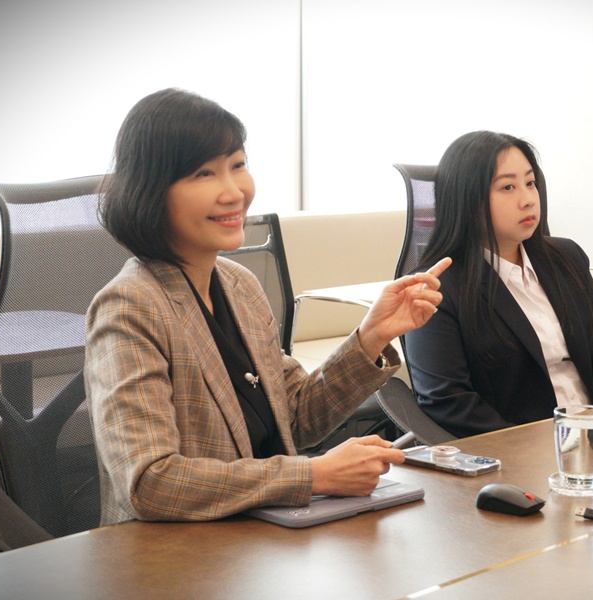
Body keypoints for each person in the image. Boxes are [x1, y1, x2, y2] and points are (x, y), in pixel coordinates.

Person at [85, 88, 450, 525]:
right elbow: (150, 481)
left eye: (238, 165)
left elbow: (295, 417)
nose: (233, 192)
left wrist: (371, 336)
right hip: (180, 553)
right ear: (151, 191)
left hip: (267, 534)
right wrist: (314, 475)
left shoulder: (239, 284)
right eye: (204, 173)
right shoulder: (130, 306)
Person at [402, 131, 593, 438]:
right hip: (518, 450)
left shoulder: (565, 257)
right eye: (508, 187)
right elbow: (448, 401)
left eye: (530, 183)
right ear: (467, 199)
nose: (528, 199)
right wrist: (534, 449)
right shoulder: (436, 288)